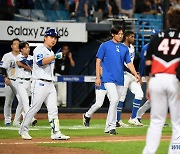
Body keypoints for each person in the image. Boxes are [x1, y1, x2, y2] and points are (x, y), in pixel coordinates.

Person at [19, 29, 70, 140]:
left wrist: (54, 56)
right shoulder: (39, 49)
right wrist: (55, 57)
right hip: (39, 82)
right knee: (34, 108)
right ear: (45, 38)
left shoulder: (51, 52)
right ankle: (23, 130)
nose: (53, 40)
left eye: (55, 38)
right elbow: (40, 62)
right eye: (51, 37)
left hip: (50, 83)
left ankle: (56, 132)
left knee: (53, 109)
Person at [143, 8, 180, 154]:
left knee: (156, 122)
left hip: (156, 80)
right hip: (174, 81)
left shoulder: (157, 36)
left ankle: (148, 152)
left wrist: (148, 85)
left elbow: (148, 63)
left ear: (168, 21)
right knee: (177, 122)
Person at [95, 25, 140, 135]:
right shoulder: (104, 46)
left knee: (115, 101)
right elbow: (98, 61)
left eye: (121, 34)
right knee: (114, 100)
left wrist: (135, 74)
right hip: (108, 78)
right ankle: (112, 126)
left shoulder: (125, 48)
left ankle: (107, 127)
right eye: (118, 34)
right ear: (113, 34)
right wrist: (97, 77)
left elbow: (129, 63)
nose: (120, 36)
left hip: (120, 78)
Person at [116, 31, 143, 127]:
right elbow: (121, 64)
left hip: (131, 74)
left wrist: (136, 72)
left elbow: (131, 63)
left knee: (139, 94)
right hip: (123, 75)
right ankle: (117, 120)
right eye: (132, 36)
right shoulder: (121, 47)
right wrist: (134, 73)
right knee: (121, 98)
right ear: (126, 37)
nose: (134, 39)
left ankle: (133, 118)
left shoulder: (132, 48)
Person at [0, 38, 24, 127]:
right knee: (8, 102)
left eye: (18, 44)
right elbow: (2, 68)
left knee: (22, 101)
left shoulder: (22, 56)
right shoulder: (7, 56)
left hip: (20, 81)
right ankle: (7, 120)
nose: (17, 45)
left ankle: (18, 120)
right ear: (11, 46)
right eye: (15, 44)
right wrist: (5, 77)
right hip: (10, 80)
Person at [16, 41, 37, 127]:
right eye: (26, 47)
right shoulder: (18, 56)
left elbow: (32, 65)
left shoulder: (31, 57)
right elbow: (28, 65)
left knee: (21, 103)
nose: (28, 49)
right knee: (25, 101)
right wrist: (28, 67)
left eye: (28, 47)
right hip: (20, 81)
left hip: (29, 81)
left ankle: (16, 121)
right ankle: (31, 118)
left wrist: (25, 66)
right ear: (21, 49)